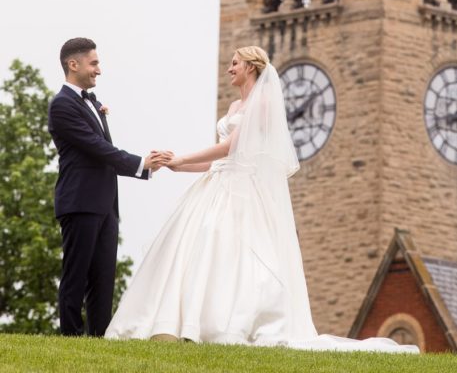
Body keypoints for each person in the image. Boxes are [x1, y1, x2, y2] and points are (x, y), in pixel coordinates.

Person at [105, 46, 417, 352]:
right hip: (219, 183)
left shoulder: (264, 103)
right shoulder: (231, 109)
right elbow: (218, 159)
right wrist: (177, 164)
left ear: (251, 68)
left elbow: (231, 148)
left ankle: (226, 323)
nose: (229, 69)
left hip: (242, 191)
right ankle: (185, 322)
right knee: (200, 244)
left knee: (230, 248)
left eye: (235, 63)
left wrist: (182, 156)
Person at [48, 37, 170, 336]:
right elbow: (97, 149)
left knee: (103, 277)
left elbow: (104, 152)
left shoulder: (90, 101)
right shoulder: (62, 105)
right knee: (76, 276)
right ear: (72, 64)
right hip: (79, 202)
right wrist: (141, 163)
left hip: (105, 203)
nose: (99, 70)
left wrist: (144, 167)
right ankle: (72, 339)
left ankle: (99, 337)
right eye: (94, 63)